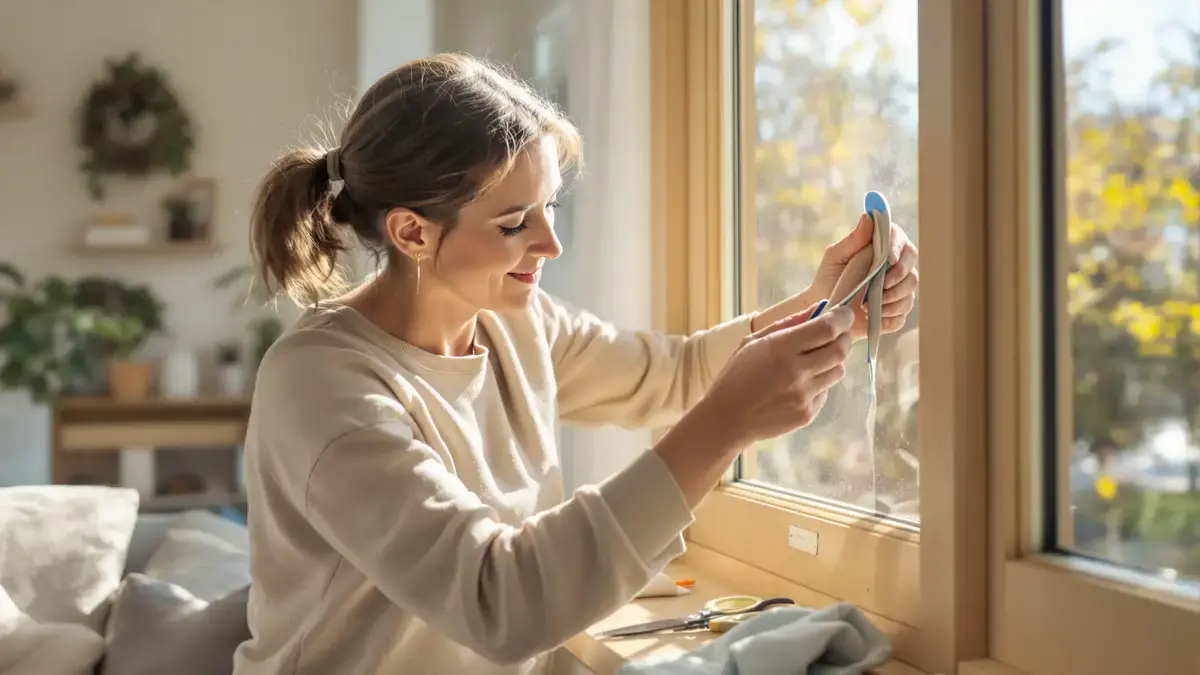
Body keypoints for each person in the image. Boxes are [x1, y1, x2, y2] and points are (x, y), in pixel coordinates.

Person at [232, 53, 919, 675]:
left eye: (550, 208)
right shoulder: (322, 385)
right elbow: (497, 600)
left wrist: (828, 304)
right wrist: (727, 424)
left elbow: (673, 375)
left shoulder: (514, 322)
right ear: (412, 231)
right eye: (514, 223)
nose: (551, 244)